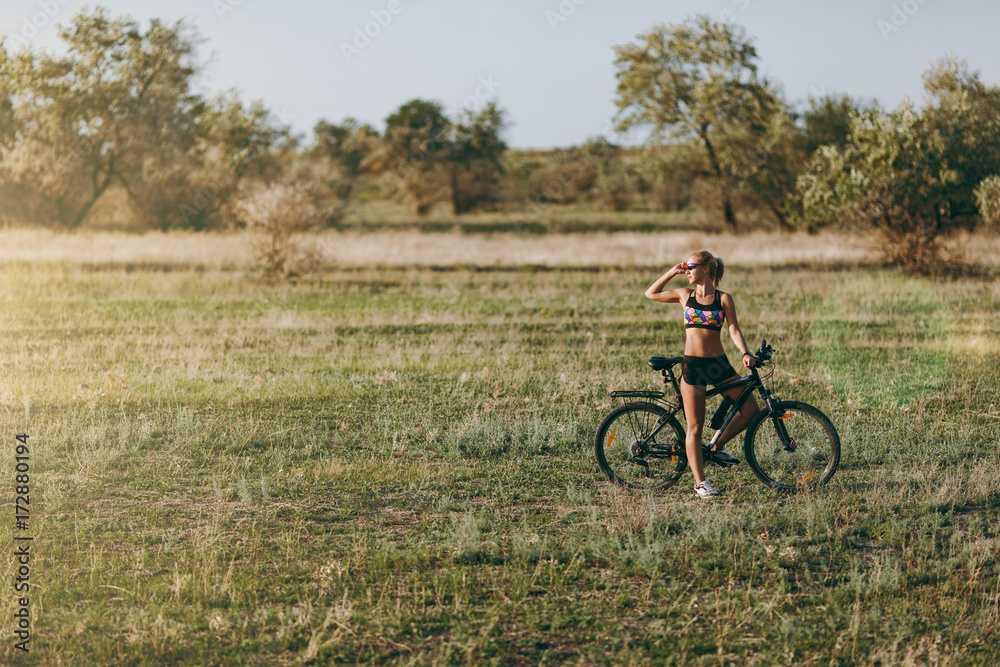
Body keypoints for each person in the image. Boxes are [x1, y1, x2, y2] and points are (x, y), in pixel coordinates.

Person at [644, 250, 759, 498]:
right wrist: (673, 271)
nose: (687, 271)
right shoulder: (685, 295)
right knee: (694, 426)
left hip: (719, 364)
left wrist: (745, 353)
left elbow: (734, 330)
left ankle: (716, 446)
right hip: (693, 366)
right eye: (686, 268)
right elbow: (650, 293)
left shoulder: (724, 299)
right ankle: (700, 483)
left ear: (707, 268)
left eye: (691, 267)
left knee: (751, 409)